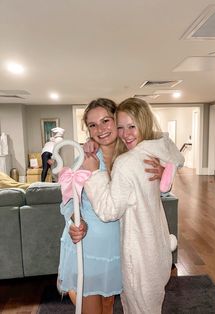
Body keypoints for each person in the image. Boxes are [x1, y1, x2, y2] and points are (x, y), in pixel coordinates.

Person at [58, 98, 164, 314]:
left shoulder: (132, 155)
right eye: (92, 125)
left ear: (117, 120)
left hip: (121, 245)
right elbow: (69, 202)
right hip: (89, 243)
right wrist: (75, 222)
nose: (101, 129)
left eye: (106, 121)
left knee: (109, 305)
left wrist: (163, 176)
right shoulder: (85, 158)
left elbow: (147, 197)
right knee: (91, 305)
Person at [82, 98, 184, 314]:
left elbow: (108, 211)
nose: (126, 133)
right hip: (157, 250)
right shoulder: (155, 151)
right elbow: (175, 155)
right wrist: (167, 171)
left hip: (138, 256)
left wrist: (93, 174)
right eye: (121, 127)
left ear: (144, 124)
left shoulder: (126, 162)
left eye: (132, 126)